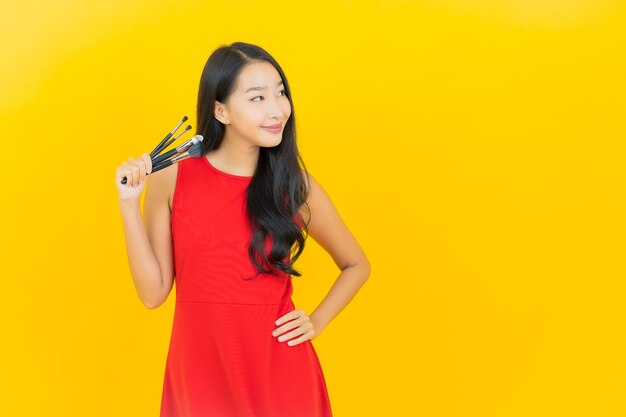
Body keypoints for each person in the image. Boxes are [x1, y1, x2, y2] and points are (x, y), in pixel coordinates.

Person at [115, 41, 371, 417]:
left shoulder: (293, 184)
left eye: (280, 93)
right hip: (199, 377)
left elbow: (356, 264)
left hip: (280, 376)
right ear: (221, 110)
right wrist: (128, 204)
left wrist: (316, 321)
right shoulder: (171, 176)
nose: (276, 110)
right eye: (257, 98)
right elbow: (153, 294)